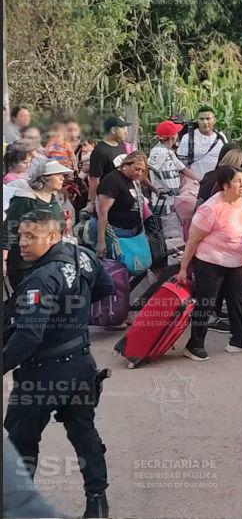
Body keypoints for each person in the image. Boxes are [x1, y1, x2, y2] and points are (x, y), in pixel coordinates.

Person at [4, 209, 114, 517]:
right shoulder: (85, 256)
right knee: (84, 435)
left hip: (42, 374)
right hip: (80, 365)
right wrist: (70, 317)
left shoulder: (39, 279)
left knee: (21, 443)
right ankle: (98, 502)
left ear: (53, 237)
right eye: (21, 236)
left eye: (31, 237)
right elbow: (105, 289)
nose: (23, 243)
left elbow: (27, 337)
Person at [177, 165, 242, 360]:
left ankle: (240, 339)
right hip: (210, 262)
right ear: (225, 185)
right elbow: (193, 240)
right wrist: (184, 268)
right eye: (238, 182)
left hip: (235, 262)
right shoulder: (210, 208)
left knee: (236, 301)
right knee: (206, 304)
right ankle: (195, 345)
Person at [3, 161, 70, 292]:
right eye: (58, 175)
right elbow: (9, 229)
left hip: (49, 260)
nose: (62, 178)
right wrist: (4, 259)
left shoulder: (53, 198)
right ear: (45, 178)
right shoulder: (24, 199)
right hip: (24, 263)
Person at [147, 120, 200, 245]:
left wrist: (201, 180)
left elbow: (183, 169)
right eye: (176, 133)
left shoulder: (169, 152)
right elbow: (148, 169)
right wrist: (154, 188)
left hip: (172, 199)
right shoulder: (159, 152)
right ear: (172, 137)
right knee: (171, 233)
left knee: (174, 231)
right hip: (164, 201)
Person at [93, 152, 149, 260]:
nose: (139, 173)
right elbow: (102, 212)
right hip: (117, 231)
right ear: (125, 166)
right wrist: (101, 241)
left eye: (142, 171)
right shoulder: (112, 181)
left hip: (132, 230)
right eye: (136, 169)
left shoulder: (132, 180)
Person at [87, 116, 132, 211]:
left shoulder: (123, 145)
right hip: (110, 200)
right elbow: (95, 180)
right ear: (113, 130)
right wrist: (95, 203)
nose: (126, 131)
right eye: (122, 128)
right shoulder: (100, 151)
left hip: (125, 197)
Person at [176, 107, 228, 180]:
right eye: (201, 119)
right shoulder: (188, 138)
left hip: (215, 183)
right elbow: (181, 164)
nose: (205, 122)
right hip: (194, 184)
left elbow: (227, 161)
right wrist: (197, 180)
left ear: (214, 120)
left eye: (208, 119)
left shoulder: (221, 137)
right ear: (197, 120)